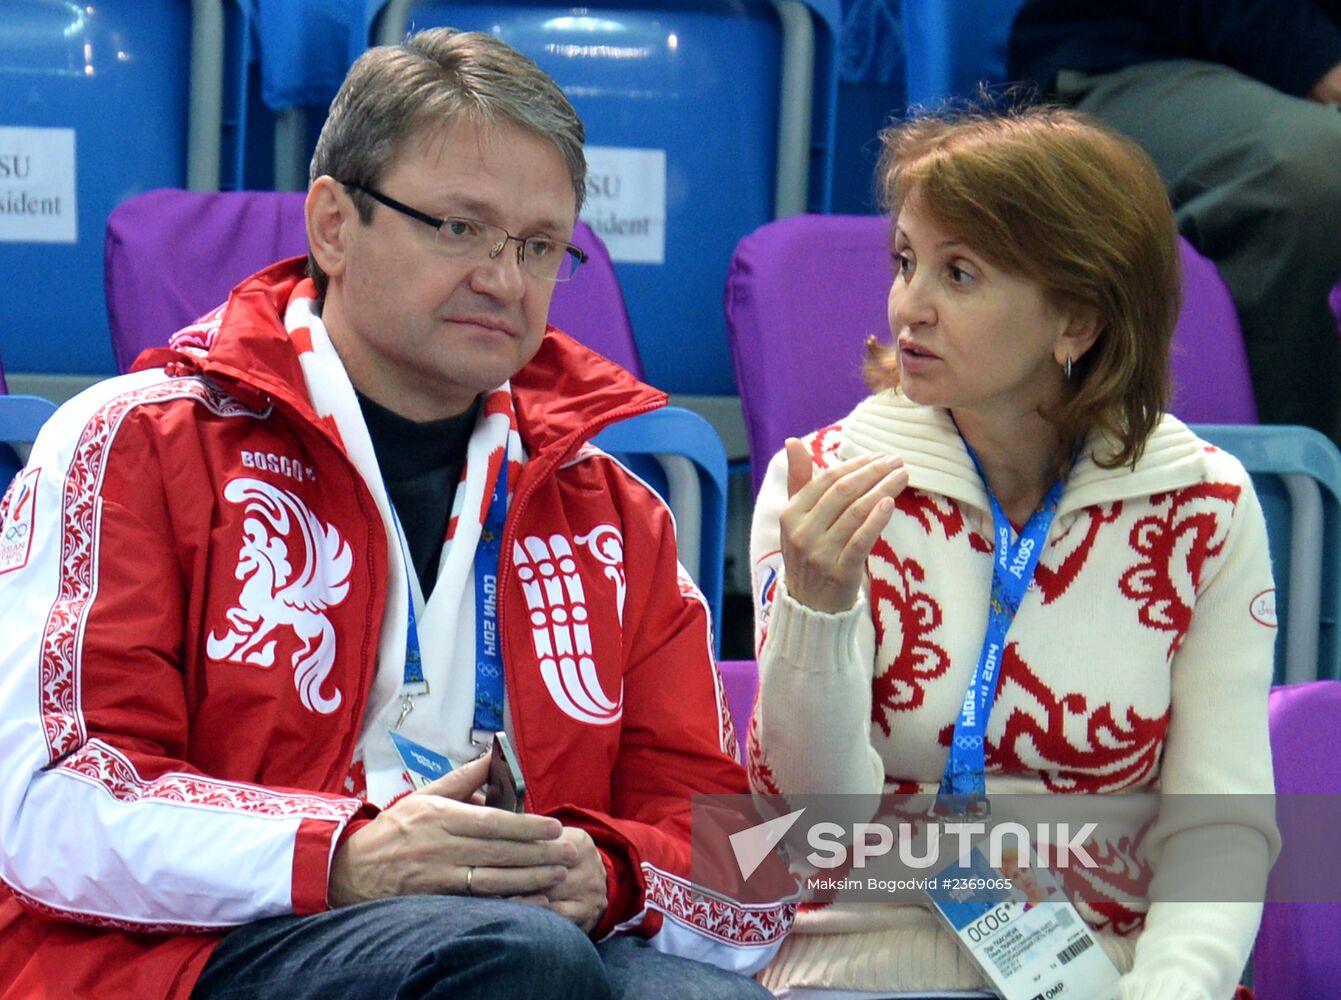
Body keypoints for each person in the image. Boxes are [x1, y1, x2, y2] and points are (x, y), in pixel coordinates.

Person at [0, 28, 792, 1000]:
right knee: (514, 960)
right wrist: (342, 854)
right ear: (333, 223)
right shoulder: (133, 443)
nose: (503, 277)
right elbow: (49, 806)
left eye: (540, 246)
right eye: (459, 227)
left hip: (542, 942)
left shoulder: (618, 512)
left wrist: (613, 872)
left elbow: (742, 864)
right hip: (207, 944)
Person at [748, 107, 1279, 999]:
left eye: (959, 273)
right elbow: (812, 819)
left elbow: (1217, 823)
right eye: (906, 261)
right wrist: (819, 609)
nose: (907, 306)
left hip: (1114, 977)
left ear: (1075, 317)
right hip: (855, 972)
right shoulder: (821, 484)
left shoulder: (1206, 505)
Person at [1008, 0, 1341, 446]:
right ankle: (1287, 496)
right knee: (1310, 170)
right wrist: (1316, 60)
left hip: (1279, 79)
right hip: (1130, 57)